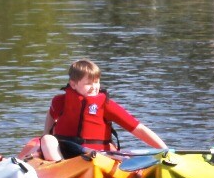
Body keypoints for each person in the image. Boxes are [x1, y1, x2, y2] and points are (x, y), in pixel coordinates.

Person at [29, 59, 167, 161]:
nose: (94, 87)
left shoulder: (106, 105)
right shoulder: (59, 101)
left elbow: (138, 129)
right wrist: (46, 132)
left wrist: (164, 150)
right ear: (73, 84)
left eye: (97, 82)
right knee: (47, 139)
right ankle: (59, 169)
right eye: (88, 83)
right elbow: (51, 114)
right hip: (65, 155)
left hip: (98, 156)